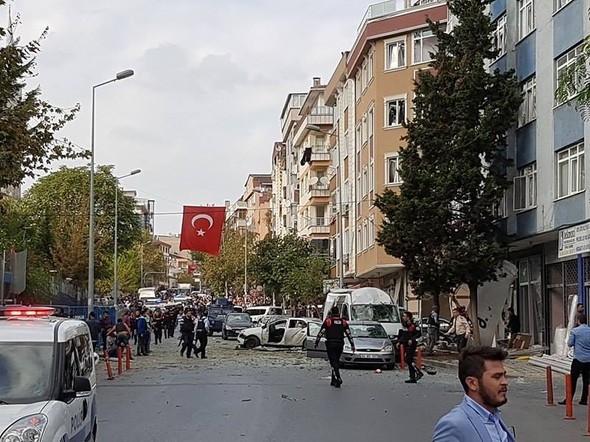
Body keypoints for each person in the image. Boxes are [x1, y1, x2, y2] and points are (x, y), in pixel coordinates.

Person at [432, 346, 516, 442]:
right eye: (497, 377)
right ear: (472, 383)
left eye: (504, 376)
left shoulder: (494, 417)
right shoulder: (454, 425)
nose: (504, 382)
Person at [314, 306, 355, 388]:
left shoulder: (328, 321)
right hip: (340, 344)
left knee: (333, 362)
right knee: (336, 360)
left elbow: (321, 333)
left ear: (331, 313)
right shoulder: (343, 322)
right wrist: (352, 344)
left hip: (331, 344)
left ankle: (338, 378)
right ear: (338, 313)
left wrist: (316, 342)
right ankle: (333, 380)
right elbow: (348, 334)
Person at [559, 314, 590, 406]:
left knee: (573, 380)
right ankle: (584, 399)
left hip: (578, 359)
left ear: (578, 321)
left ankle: (569, 398)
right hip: (588, 360)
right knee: (586, 380)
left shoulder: (575, 331)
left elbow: (569, 344)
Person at [397, 311, 423, 383]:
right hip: (405, 344)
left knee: (408, 359)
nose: (403, 318)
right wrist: (399, 342)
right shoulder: (404, 325)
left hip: (411, 344)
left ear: (408, 317)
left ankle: (418, 372)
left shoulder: (414, 325)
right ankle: (412, 377)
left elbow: (418, 334)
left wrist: (412, 339)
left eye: (404, 316)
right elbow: (402, 334)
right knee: (409, 360)